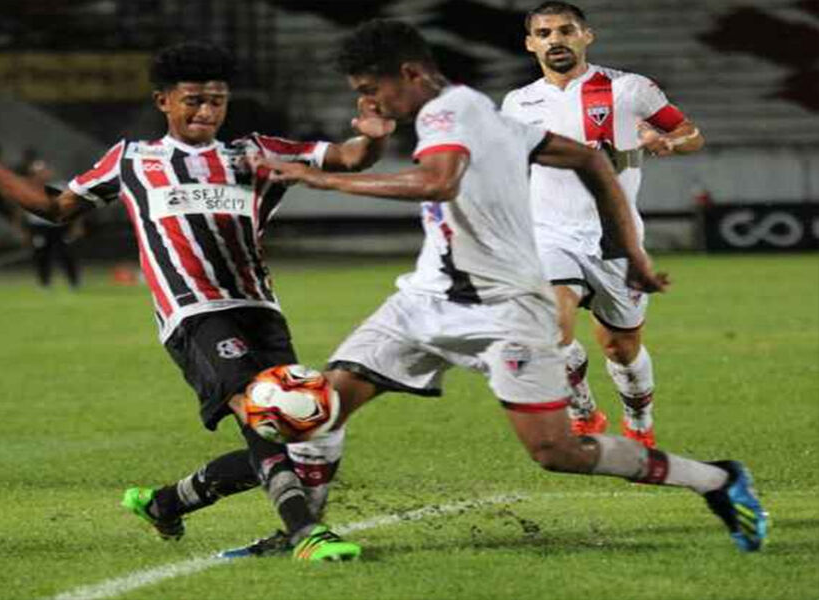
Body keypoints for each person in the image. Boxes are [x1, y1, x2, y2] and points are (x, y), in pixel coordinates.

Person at [253, 19, 767, 554]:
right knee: (322, 405)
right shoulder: (484, 109)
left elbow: (438, 181)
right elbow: (589, 158)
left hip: (505, 308)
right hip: (425, 299)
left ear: (407, 73)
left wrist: (321, 178)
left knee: (556, 450)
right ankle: (303, 532)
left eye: (370, 90)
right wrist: (631, 251)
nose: (370, 102)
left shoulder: (446, 111)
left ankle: (717, 480)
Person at [0, 41, 395, 561]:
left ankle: (166, 504)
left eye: (216, 101)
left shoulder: (253, 153)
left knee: (296, 431)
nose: (206, 111)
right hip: (192, 313)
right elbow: (54, 206)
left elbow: (346, 157)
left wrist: (371, 138)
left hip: (260, 309)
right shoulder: (132, 160)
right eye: (193, 100)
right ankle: (303, 535)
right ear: (163, 100)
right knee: (260, 413)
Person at [500, 2, 705, 447]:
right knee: (551, 328)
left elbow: (691, 132)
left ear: (585, 36)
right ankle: (583, 412)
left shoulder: (630, 89)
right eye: (545, 32)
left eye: (565, 30)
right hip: (548, 233)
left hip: (615, 239)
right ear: (531, 43)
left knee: (621, 349)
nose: (556, 39)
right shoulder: (518, 103)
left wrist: (668, 140)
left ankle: (639, 420)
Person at [14, 159, 83, 290]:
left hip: (61, 226)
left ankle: (73, 281)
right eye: (39, 172)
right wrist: (21, 229)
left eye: (44, 171)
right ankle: (44, 282)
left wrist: (77, 226)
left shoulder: (61, 187)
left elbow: (75, 208)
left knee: (66, 253)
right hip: (39, 227)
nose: (43, 175)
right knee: (41, 255)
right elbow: (19, 210)